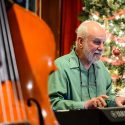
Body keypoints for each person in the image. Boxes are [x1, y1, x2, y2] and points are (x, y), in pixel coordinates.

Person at [48, 20, 125, 110]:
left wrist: (116, 101)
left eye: (103, 43)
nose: (101, 48)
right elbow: (52, 103)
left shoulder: (101, 67)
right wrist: (84, 105)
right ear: (80, 42)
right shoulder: (60, 66)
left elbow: (106, 98)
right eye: (97, 42)